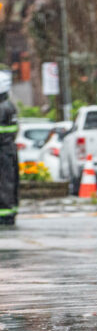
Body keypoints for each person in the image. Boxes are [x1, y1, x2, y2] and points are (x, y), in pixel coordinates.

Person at [0, 71, 18, 226]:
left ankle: (5, 214)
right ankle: (9, 212)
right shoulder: (9, 105)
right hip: (8, 150)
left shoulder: (2, 107)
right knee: (9, 182)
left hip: (3, 151)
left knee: (4, 183)